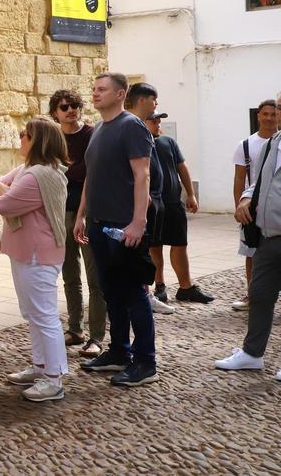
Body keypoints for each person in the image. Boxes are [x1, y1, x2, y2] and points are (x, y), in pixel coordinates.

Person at [75, 73, 160, 387]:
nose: (95, 94)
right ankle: (119, 352)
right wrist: (82, 214)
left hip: (123, 227)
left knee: (133, 294)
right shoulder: (99, 129)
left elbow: (143, 176)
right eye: (94, 88)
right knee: (111, 292)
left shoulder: (131, 126)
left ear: (121, 93)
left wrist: (138, 222)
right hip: (98, 224)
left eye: (102, 90)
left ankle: (146, 362)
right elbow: (92, 177)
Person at [0, 117, 71, 402]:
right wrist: (1, 188)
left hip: (38, 254)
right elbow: (0, 184)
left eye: (25, 134)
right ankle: (41, 366)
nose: (20, 138)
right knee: (32, 312)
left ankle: (53, 378)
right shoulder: (30, 169)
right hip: (27, 251)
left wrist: (1, 191)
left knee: (44, 314)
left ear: (38, 141)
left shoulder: (36, 176)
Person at [216, 94, 281, 376]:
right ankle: (253, 353)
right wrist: (245, 198)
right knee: (259, 294)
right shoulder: (272, 144)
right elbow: (259, 183)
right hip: (268, 236)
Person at [50, 89, 105, 357]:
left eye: (74, 105)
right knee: (70, 275)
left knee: (95, 278)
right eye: (64, 107)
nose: (70, 110)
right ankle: (75, 328)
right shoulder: (54, 137)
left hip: (88, 212)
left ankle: (96, 336)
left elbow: (90, 173)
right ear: (55, 113)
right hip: (60, 213)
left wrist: (67, 170)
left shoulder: (92, 134)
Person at [145, 111, 211, 303]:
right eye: (153, 120)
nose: (157, 123)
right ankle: (159, 287)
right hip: (153, 203)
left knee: (180, 244)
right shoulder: (139, 142)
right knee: (154, 247)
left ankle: (186, 287)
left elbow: (182, 167)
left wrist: (190, 194)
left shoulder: (168, 142)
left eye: (159, 120)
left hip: (173, 202)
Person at [124, 83, 176, 316]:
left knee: (148, 250)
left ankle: (146, 293)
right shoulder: (132, 127)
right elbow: (139, 173)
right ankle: (142, 296)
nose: (156, 107)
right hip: (139, 205)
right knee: (140, 253)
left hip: (152, 202)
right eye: (154, 100)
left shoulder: (148, 133)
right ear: (143, 100)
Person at [231, 99, 278, 311]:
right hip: (253, 206)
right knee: (251, 252)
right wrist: (239, 204)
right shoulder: (247, 145)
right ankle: (253, 294)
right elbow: (241, 179)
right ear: (258, 116)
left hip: (276, 207)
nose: (269, 118)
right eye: (265, 114)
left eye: (273, 113)